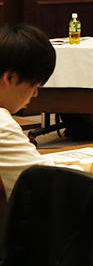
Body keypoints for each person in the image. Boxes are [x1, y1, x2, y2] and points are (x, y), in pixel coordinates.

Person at [0, 24, 56, 197]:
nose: (35, 93)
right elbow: (48, 184)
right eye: (34, 84)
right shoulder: (2, 125)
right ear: (9, 78)